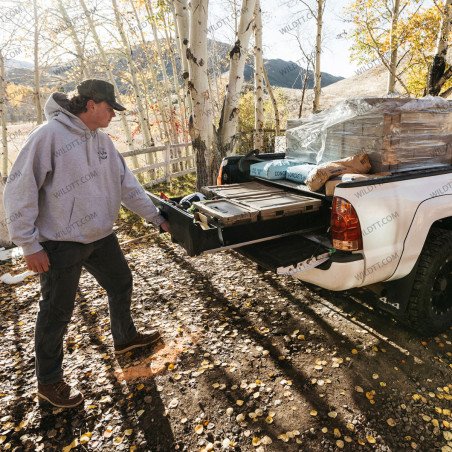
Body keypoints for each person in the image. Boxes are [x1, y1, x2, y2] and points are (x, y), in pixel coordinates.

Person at [3, 79, 170, 409]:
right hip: (61, 242)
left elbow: (128, 186)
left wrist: (156, 217)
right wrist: (28, 244)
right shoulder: (48, 136)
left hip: (101, 236)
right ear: (91, 104)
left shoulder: (103, 141)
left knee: (120, 282)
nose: (113, 115)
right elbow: (19, 190)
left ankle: (124, 339)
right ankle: (49, 384)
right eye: (110, 109)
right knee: (56, 312)